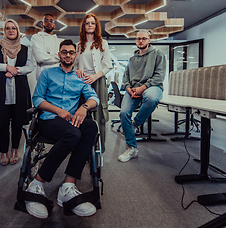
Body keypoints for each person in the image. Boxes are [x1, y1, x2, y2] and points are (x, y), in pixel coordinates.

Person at [26, 39, 100, 219]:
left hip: (71, 119)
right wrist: (58, 110)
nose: (68, 55)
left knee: (91, 127)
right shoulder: (47, 74)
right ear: (59, 54)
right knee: (73, 134)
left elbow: (94, 98)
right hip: (49, 119)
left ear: (75, 55)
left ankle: (68, 185)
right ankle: (37, 183)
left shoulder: (80, 77)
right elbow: (37, 99)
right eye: (64, 52)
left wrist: (83, 107)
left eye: (71, 52)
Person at [0, 19, 34, 166]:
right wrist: (6, 67)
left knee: (18, 123)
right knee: (2, 124)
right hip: (0, 91)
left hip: (19, 91)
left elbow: (30, 66)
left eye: (14, 28)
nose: (11, 30)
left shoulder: (25, 48)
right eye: (7, 28)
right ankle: (3, 151)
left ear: (18, 31)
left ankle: (14, 150)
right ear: (4, 31)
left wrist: (15, 71)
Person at [118, 29, 166, 162]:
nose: (141, 41)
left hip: (151, 86)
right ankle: (131, 148)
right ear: (135, 40)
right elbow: (126, 76)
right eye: (138, 38)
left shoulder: (158, 54)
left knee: (152, 98)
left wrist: (142, 88)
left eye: (144, 38)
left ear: (149, 40)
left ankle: (136, 123)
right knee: (123, 113)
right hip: (133, 89)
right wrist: (128, 88)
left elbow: (159, 76)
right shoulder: (132, 59)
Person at [74, 13, 113, 153]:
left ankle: (98, 149)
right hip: (82, 82)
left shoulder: (103, 43)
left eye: (92, 23)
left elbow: (108, 65)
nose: (90, 25)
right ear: (83, 26)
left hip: (98, 80)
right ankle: (82, 148)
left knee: (99, 114)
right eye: (87, 23)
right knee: (82, 112)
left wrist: (95, 77)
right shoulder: (79, 45)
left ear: (96, 26)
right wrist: (78, 70)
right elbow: (75, 65)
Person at [31, 13, 63, 80]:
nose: (49, 22)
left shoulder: (59, 41)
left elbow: (64, 56)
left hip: (58, 75)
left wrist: (49, 55)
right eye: (46, 20)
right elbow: (41, 58)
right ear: (42, 24)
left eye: (51, 21)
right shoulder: (36, 38)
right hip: (42, 74)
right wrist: (57, 58)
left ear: (54, 25)